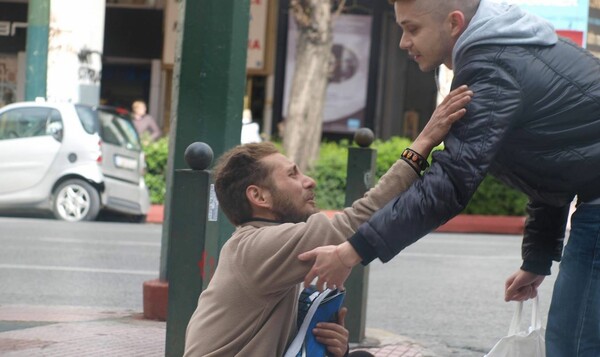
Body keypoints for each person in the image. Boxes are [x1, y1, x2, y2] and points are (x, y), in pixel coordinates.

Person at [299, 1, 600, 356]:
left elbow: (451, 181)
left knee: (574, 346)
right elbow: (554, 165)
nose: (403, 42)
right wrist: (536, 259)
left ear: (454, 23)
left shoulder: (492, 67)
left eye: (412, 29)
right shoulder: (510, 50)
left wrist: (352, 251)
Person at [182, 86, 472, 356]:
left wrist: (334, 345)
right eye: (292, 175)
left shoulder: (270, 252)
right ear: (259, 196)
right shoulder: (256, 247)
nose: (309, 181)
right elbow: (354, 221)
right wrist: (422, 144)